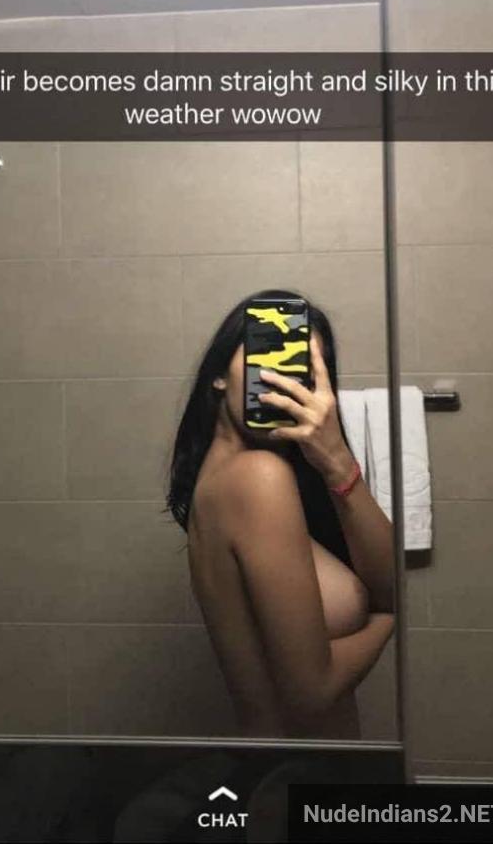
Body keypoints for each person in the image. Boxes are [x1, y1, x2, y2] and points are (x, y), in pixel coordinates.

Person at [166, 289, 395, 738]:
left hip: (293, 766)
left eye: (299, 370)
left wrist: (337, 461)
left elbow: (386, 577)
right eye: (264, 358)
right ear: (218, 375)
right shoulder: (258, 477)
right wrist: (387, 619)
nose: (278, 380)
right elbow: (312, 692)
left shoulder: (228, 478)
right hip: (303, 768)